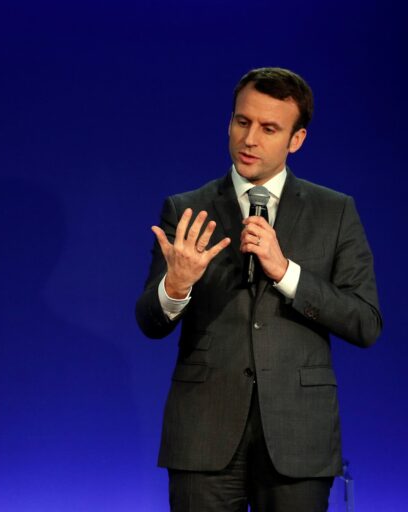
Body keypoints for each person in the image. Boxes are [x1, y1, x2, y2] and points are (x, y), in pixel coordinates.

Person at [135, 67, 382, 512]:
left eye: (269, 128)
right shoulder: (186, 208)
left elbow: (365, 322)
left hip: (299, 436)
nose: (249, 139)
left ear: (296, 139)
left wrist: (286, 272)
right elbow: (150, 322)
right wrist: (177, 285)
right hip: (203, 433)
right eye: (242, 121)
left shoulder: (336, 212)